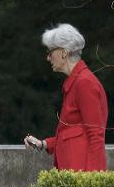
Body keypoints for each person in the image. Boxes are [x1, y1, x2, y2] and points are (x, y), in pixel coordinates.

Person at [23, 23, 108, 171]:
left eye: (50, 52)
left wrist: (94, 180)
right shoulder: (77, 82)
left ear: (63, 52)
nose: (48, 58)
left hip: (81, 177)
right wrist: (42, 144)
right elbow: (72, 135)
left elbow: (96, 136)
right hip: (74, 175)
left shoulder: (84, 83)